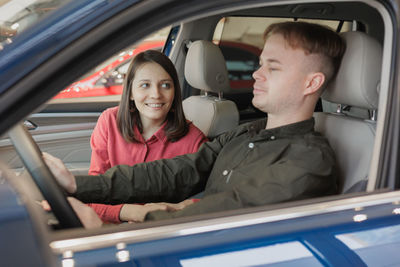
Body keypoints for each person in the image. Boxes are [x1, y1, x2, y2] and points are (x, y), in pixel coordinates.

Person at [44, 21, 346, 227]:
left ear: (312, 83)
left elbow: (224, 216)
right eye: (261, 63)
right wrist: (76, 185)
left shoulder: (310, 161)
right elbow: (176, 173)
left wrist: (113, 228)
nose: (257, 74)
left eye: (273, 67)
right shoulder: (245, 133)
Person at [87, 50, 207, 223]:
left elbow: (210, 200)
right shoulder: (109, 121)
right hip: (112, 229)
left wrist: (174, 209)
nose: (156, 94)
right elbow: (93, 193)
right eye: (145, 85)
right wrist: (131, 212)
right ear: (130, 92)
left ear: (175, 93)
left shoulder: (194, 141)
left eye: (165, 85)